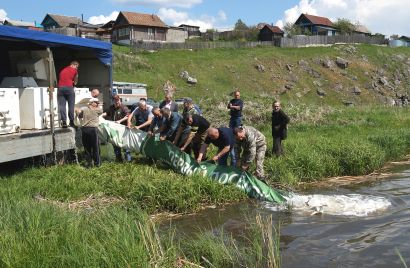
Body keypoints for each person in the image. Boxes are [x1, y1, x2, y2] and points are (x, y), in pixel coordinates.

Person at [102, 94, 132, 162]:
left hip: (123, 130)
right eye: (115, 101)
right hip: (114, 130)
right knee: (116, 144)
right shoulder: (111, 107)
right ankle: (119, 160)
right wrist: (101, 116)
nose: (117, 102)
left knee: (125, 145)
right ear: (113, 101)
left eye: (118, 100)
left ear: (119, 99)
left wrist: (120, 121)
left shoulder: (124, 107)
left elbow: (128, 116)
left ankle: (128, 161)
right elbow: (106, 113)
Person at [75, 98, 102, 167]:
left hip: (85, 130)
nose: (97, 104)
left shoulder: (84, 109)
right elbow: (99, 110)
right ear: (92, 103)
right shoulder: (98, 110)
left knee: (87, 148)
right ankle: (97, 164)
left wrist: (78, 110)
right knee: (95, 147)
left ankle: (89, 164)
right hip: (93, 130)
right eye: (96, 102)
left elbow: (79, 113)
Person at [58, 61, 79, 128]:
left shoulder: (63, 70)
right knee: (71, 106)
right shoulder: (74, 70)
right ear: (73, 65)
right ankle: (71, 121)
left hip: (60, 88)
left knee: (62, 106)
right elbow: (75, 81)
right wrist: (74, 82)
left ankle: (64, 122)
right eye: (77, 66)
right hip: (69, 88)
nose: (77, 68)